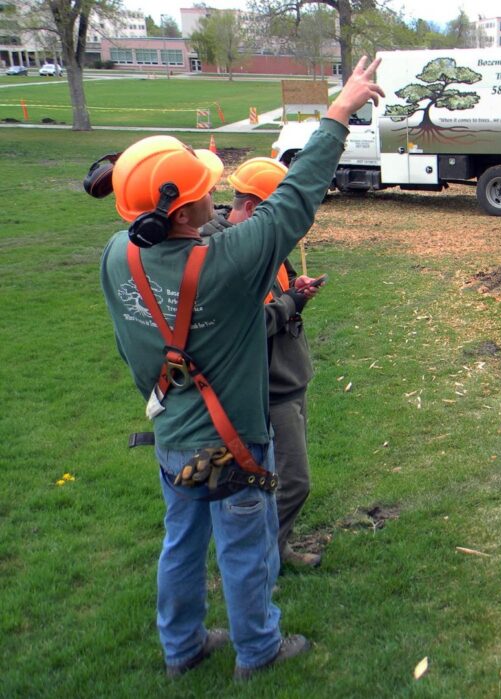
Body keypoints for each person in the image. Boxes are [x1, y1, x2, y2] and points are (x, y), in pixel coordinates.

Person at [95, 56, 383, 681]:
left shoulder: (118, 256)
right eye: (203, 190)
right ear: (181, 211)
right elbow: (298, 194)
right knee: (246, 548)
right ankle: (258, 649)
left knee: (181, 544)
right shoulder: (231, 264)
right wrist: (340, 111)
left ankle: (183, 647)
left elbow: (128, 347)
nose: (212, 194)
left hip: (171, 434)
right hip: (234, 444)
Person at [201, 157, 324, 568]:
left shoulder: (258, 241)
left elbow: (277, 291)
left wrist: (295, 287)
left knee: (283, 481)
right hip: (265, 389)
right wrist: (294, 302)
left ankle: (275, 549)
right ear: (255, 210)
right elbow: (250, 323)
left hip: (289, 377)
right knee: (293, 483)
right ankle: (259, 562)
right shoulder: (224, 253)